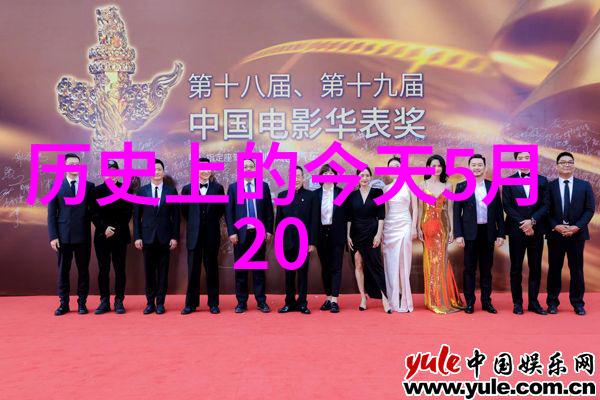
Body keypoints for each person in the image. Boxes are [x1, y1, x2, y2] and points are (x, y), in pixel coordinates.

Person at [453, 154, 505, 314]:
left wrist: (501, 234)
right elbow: (456, 212)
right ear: (469, 168)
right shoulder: (461, 186)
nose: (476, 168)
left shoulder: (492, 186)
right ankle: (470, 302)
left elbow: (499, 211)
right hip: (469, 233)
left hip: (488, 232)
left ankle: (486, 302)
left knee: (486, 269)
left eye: (479, 165)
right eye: (473, 165)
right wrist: (458, 234)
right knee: (469, 269)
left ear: (485, 167)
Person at [545, 152, 595, 316]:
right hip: (555, 235)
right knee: (554, 269)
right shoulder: (550, 186)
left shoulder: (584, 185)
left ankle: (578, 303)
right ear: (557, 166)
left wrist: (576, 227)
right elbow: (546, 210)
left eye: (570, 162)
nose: (566, 164)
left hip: (577, 235)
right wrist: (555, 226)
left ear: (574, 165)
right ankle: (552, 302)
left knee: (577, 270)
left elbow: (589, 210)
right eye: (563, 162)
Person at [48, 153, 95, 316]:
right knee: (63, 271)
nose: (75, 166)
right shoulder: (56, 185)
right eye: (71, 164)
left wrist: (103, 227)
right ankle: (64, 304)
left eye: (77, 164)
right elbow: (51, 214)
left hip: (83, 236)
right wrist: (53, 236)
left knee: (83, 271)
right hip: (63, 237)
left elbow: (94, 212)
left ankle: (82, 303)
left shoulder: (89, 186)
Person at [225, 158, 274, 314]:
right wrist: (232, 232)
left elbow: (268, 210)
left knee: (258, 270)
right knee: (241, 271)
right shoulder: (233, 188)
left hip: (258, 234)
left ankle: (261, 301)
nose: (248, 169)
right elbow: (229, 212)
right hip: (240, 235)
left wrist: (269, 230)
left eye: (251, 166)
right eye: (245, 167)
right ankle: (241, 302)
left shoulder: (263, 186)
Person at [502, 151, 548, 315]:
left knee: (535, 268)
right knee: (516, 268)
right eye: (520, 158)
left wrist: (532, 221)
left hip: (536, 230)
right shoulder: (508, 181)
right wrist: (524, 223)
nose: (523, 160)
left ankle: (534, 303)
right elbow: (507, 206)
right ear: (515, 161)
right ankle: (517, 303)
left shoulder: (542, 180)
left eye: (527, 158)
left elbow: (546, 205)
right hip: (517, 231)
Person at [417, 155, 464, 314]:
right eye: (433, 165)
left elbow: (449, 210)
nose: (436, 168)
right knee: (430, 260)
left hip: (442, 227)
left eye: (439, 165)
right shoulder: (422, 185)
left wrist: (452, 230)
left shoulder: (448, 186)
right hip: (427, 225)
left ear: (443, 168)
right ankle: (433, 299)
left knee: (442, 261)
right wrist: (418, 228)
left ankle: (443, 298)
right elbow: (420, 209)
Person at [133, 159, 180, 315]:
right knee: (149, 272)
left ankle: (160, 303)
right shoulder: (142, 191)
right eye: (153, 169)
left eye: (159, 169)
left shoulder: (171, 191)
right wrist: (137, 237)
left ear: (163, 172)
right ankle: (149, 303)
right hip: (147, 238)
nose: (156, 172)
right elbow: (136, 217)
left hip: (165, 238)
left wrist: (174, 237)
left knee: (163, 273)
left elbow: (176, 217)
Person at [180, 157, 225, 315]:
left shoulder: (218, 188)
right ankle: (190, 304)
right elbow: (185, 212)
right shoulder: (187, 189)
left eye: (207, 168)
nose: (205, 171)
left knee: (212, 270)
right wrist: (196, 223)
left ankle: (213, 303)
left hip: (211, 235)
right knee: (193, 270)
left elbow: (220, 210)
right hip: (194, 236)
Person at [346, 166, 391, 313]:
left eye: (367, 175)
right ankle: (363, 297)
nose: (364, 178)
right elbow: (349, 218)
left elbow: (381, 216)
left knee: (376, 266)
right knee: (358, 264)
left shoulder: (377, 192)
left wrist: (378, 234)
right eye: (361, 175)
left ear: (370, 177)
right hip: (356, 233)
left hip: (372, 233)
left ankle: (385, 298)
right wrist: (348, 235)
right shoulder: (352, 196)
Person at [91, 160, 133, 314]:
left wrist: (113, 229)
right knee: (103, 269)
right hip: (102, 237)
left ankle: (119, 300)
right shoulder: (96, 191)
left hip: (120, 235)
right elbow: (94, 213)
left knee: (120, 269)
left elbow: (128, 212)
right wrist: (104, 228)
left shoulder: (127, 188)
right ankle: (104, 301)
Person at [275, 166, 317, 314]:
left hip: (304, 242)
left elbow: (313, 221)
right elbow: (278, 221)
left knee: (303, 274)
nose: (296, 179)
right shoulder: (282, 196)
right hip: (287, 242)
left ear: (303, 178)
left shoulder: (311, 196)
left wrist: (312, 242)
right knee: (289, 274)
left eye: (298, 176)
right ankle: (289, 303)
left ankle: (303, 303)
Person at [382, 156, 418, 313]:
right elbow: (385, 212)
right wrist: (382, 232)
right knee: (390, 263)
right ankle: (393, 298)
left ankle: (405, 298)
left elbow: (415, 208)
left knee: (404, 262)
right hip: (389, 228)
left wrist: (414, 227)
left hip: (405, 224)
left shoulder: (410, 185)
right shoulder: (385, 189)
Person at [314, 164, 347, 313]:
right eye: (325, 173)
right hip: (321, 233)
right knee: (325, 267)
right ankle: (328, 298)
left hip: (337, 233)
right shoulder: (315, 195)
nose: (328, 176)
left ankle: (334, 300)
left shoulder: (341, 193)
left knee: (336, 266)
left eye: (331, 173)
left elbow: (347, 216)